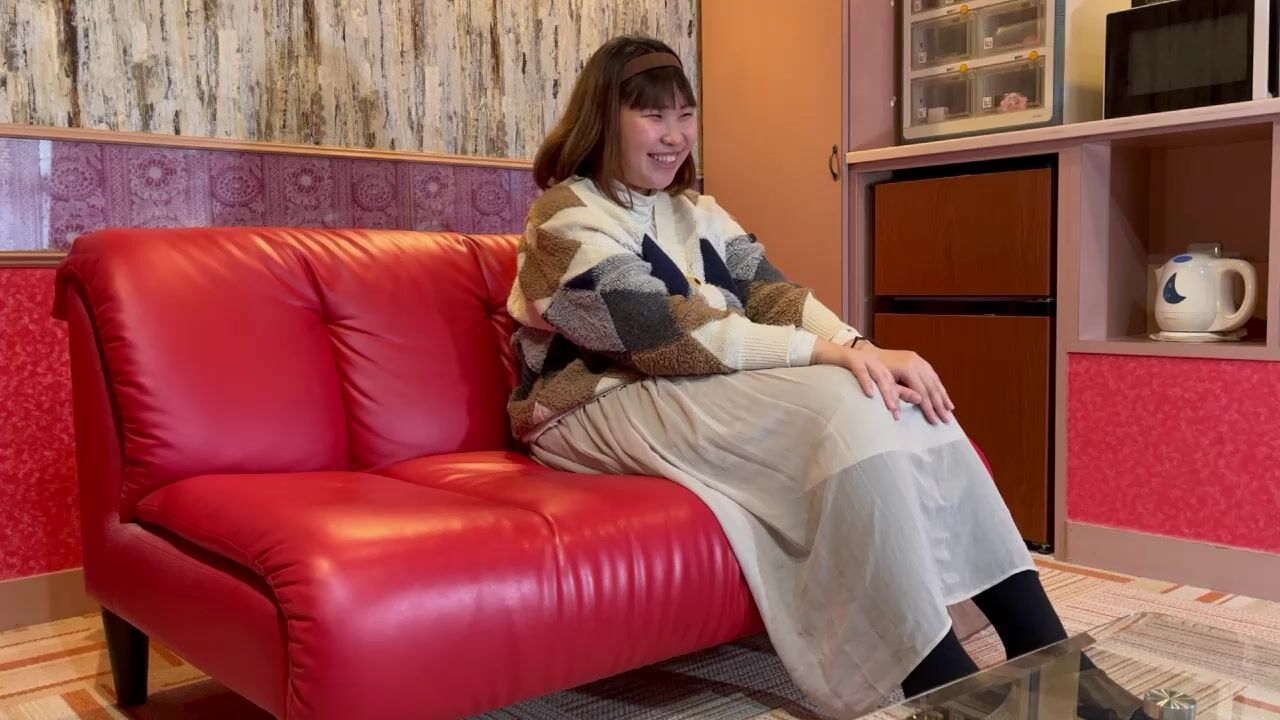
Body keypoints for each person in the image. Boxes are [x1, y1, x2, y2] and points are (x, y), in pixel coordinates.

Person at [506, 34, 1142, 719]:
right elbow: (660, 335)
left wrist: (862, 348)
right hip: (592, 402)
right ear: (606, 119)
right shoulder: (563, 217)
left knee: (895, 398)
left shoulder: (697, 212)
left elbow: (774, 296)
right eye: (652, 116)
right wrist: (828, 357)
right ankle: (947, 689)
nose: (674, 135)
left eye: (685, 115)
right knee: (841, 400)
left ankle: (1054, 662)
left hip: (691, 382)